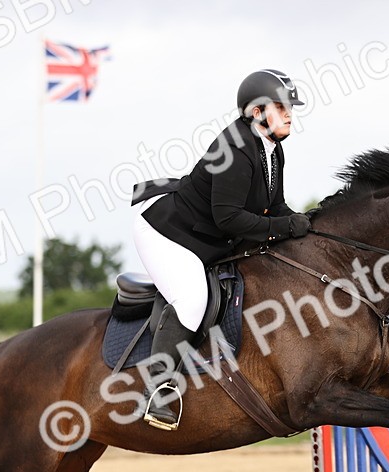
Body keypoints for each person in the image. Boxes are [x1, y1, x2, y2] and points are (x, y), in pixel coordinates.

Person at [131, 69, 311, 430]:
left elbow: (274, 209)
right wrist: (283, 227)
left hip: (207, 236)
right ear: (256, 112)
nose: (290, 113)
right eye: (280, 106)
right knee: (193, 298)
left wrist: (309, 226)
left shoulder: (272, 150)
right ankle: (158, 390)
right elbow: (228, 217)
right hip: (167, 234)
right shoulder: (234, 148)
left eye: (289, 106)